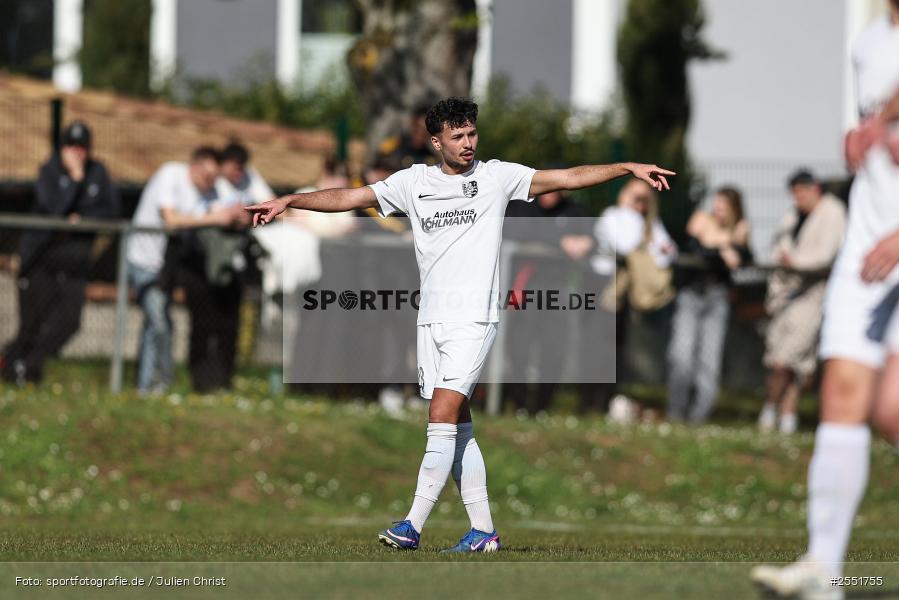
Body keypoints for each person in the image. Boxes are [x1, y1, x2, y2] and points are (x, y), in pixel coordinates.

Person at [245, 97, 674, 553]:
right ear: (436, 142)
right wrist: (291, 199)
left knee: (441, 414)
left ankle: (412, 524)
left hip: (474, 318)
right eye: (458, 136)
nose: (468, 143)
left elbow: (566, 177)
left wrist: (627, 166)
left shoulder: (496, 177)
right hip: (431, 319)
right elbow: (352, 197)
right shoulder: (413, 182)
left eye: (472, 133)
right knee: (459, 425)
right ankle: (483, 531)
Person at [752, 3, 899, 597]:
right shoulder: (869, 42)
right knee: (843, 393)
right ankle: (823, 569)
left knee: (890, 409)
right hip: (870, 241)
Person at [1, 121, 119, 385]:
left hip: (74, 266)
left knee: (69, 322)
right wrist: (74, 180)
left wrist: (83, 217)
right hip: (40, 262)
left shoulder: (98, 173)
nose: (77, 153)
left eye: (82, 147)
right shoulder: (49, 171)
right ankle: (15, 370)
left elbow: (111, 211)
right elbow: (54, 208)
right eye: (72, 147)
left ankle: (29, 364)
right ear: (62, 148)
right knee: (31, 324)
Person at [127, 147, 242, 395]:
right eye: (208, 176)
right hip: (144, 261)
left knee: (154, 324)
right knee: (159, 322)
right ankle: (162, 380)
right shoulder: (171, 175)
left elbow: (223, 209)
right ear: (195, 166)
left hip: (167, 267)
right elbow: (171, 219)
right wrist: (214, 218)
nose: (211, 182)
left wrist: (237, 214)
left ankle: (145, 385)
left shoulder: (206, 193)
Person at [758, 170, 846, 435]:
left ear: (815, 189)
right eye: (794, 193)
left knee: (786, 360)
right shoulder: (792, 216)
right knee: (785, 360)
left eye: (801, 192)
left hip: (812, 296)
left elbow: (825, 255)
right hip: (784, 296)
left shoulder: (833, 213)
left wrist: (793, 262)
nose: (797, 198)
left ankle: (769, 410)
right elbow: (777, 250)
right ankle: (788, 419)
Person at [503, 188, 595, 414]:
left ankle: (541, 406)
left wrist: (587, 243)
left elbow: (590, 239)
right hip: (526, 288)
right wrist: (561, 240)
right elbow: (515, 230)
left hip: (558, 290)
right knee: (519, 347)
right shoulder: (523, 207)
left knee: (554, 350)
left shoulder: (574, 211)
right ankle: (520, 404)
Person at [588, 179, 677, 413]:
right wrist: (636, 220)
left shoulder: (649, 223)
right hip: (602, 289)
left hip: (624, 295)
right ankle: (590, 402)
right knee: (596, 348)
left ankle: (604, 402)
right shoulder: (613, 216)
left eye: (644, 199)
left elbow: (668, 253)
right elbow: (624, 244)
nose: (639, 203)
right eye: (635, 197)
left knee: (616, 350)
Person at [666, 186, 750, 424]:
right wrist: (723, 246)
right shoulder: (702, 218)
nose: (717, 209)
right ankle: (675, 412)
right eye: (716, 204)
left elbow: (743, 257)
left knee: (709, 361)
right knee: (681, 355)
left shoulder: (741, 226)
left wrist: (715, 242)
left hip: (717, 298)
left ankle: (698, 416)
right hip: (691, 294)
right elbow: (693, 247)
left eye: (723, 205)